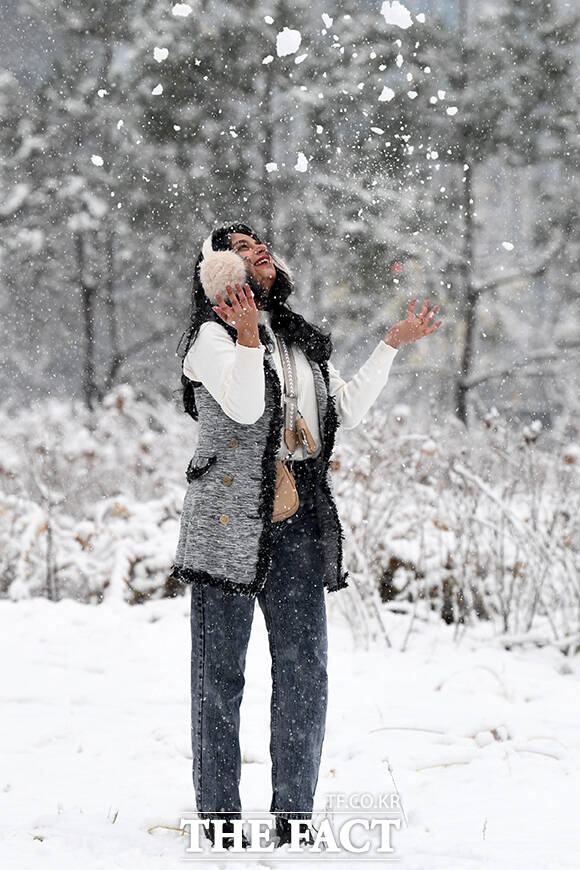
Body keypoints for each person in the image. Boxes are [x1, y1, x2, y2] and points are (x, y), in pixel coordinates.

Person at [169, 221, 441, 850]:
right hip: (227, 525)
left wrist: (391, 345)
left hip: (298, 521)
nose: (255, 249)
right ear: (215, 274)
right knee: (219, 676)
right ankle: (219, 821)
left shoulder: (299, 341)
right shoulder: (207, 339)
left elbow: (339, 409)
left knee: (304, 671)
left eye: (258, 243)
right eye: (236, 248)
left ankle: (294, 820)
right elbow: (243, 409)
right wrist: (242, 336)